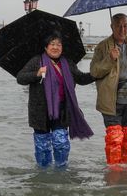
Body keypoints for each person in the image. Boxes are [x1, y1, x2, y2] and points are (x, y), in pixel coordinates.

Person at [16, 33, 96, 167]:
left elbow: (81, 78)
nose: (55, 47)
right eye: (52, 44)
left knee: (61, 142)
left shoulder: (67, 63)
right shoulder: (37, 61)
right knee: (42, 146)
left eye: (59, 44)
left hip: (62, 110)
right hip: (40, 111)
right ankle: (43, 173)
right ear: (46, 47)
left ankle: (61, 170)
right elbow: (20, 78)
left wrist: (97, 74)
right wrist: (36, 74)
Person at [90, 13, 127, 165]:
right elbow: (95, 71)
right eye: (118, 26)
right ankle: (113, 176)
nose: (122, 29)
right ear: (112, 26)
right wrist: (110, 59)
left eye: (125, 26)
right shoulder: (102, 46)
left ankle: (125, 177)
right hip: (111, 101)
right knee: (115, 139)